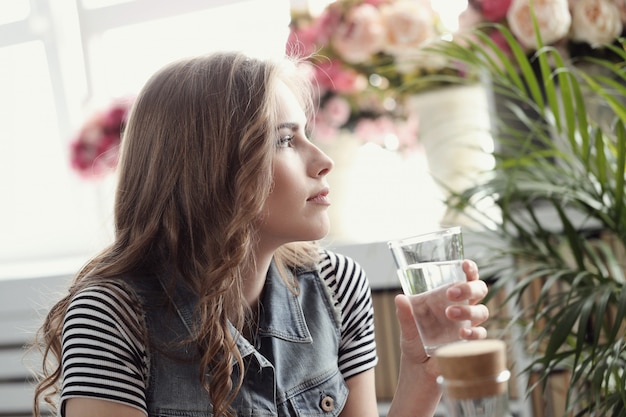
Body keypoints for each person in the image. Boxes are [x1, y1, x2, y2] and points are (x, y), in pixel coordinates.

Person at [32, 52, 490, 417]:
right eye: (286, 140)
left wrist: (423, 368)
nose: (322, 160)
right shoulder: (110, 317)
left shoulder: (336, 286)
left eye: (305, 135)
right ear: (212, 169)